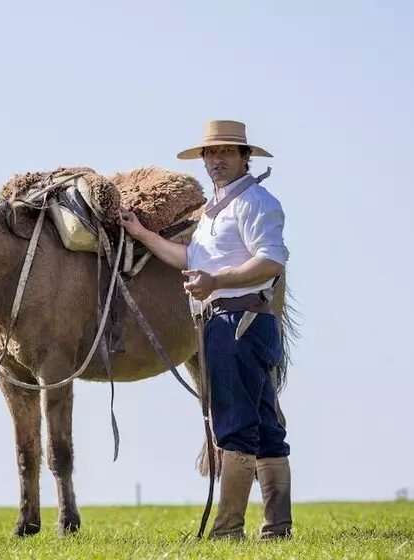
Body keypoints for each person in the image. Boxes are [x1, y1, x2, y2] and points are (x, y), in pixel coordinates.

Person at [120, 120, 293, 540]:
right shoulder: (216, 210)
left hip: (239, 322)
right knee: (266, 425)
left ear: (246, 157)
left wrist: (216, 283)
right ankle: (276, 528)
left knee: (234, 424)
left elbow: (270, 261)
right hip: (233, 322)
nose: (215, 160)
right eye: (210, 154)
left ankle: (229, 529)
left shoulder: (256, 202)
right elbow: (189, 258)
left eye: (226, 153)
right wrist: (141, 233)